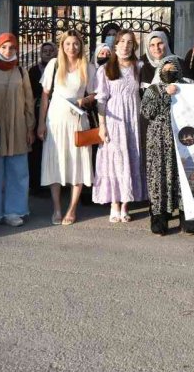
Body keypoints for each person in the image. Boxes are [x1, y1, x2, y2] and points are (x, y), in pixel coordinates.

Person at [38, 30, 95, 226]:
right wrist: (40, 124)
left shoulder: (87, 66)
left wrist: (85, 99)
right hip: (55, 121)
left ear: (81, 45)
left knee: (77, 163)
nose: (72, 47)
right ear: (62, 46)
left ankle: (72, 208)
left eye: (76, 43)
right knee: (56, 163)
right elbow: (45, 95)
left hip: (77, 121)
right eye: (68, 44)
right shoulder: (54, 65)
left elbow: (95, 94)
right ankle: (57, 208)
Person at [95, 30, 147, 222]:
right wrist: (102, 125)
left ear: (134, 46)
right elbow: (101, 99)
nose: (125, 45)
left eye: (129, 42)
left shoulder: (139, 66)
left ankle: (126, 203)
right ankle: (114, 203)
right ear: (115, 45)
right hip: (113, 119)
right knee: (115, 160)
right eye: (122, 41)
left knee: (131, 158)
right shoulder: (105, 69)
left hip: (133, 119)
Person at [0, 33, 35, 229]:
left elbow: (29, 102)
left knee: (18, 171)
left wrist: (30, 127)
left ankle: (15, 211)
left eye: (12, 48)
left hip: (18, 127)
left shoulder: (21, 72)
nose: (8, 51)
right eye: (3, 47)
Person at [141, 56, 194, 235]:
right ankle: (159, 217)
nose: (169, 73)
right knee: (159, 178)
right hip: (159, 142)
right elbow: (147, 112)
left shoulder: (187, 88)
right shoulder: (153, 89)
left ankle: (186, 215)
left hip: (182, 141)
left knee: (182, 177)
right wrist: (165, 94)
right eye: (166, 69)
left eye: (173, 70)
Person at [28, 41, 56, 195]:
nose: (47, 53)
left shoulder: (60, 68)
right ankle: (37, 184)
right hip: (39, 109)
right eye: (44, 50)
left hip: (57, 110)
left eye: (50, 50)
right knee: (38, 150)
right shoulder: (33, 70)